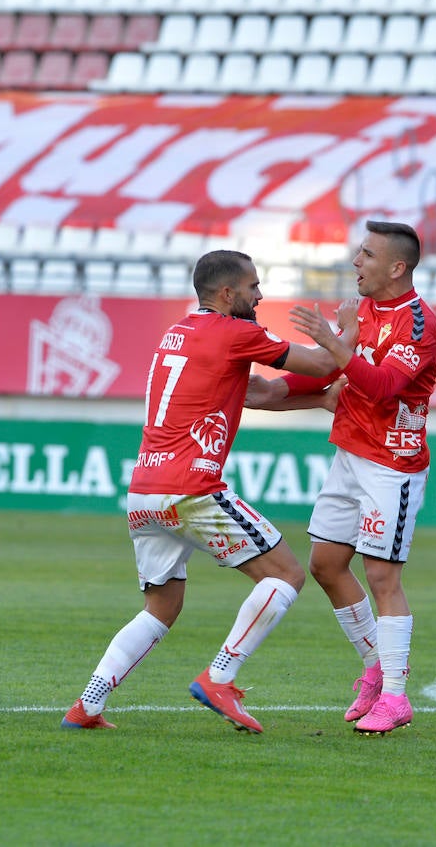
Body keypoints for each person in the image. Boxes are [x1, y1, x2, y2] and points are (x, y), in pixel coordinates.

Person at [61, 250, 341, 734]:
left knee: (162, 608)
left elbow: (255, 392)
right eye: (254, 287)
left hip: (145, 489)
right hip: (191, 488)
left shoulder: (179, 333)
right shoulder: (237, 332)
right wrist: (344, 336)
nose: (260, 295)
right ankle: (220, 676)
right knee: (286, 576)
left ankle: (87, 704)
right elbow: (319, 362)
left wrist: (318, 400)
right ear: (227, 294)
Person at [247, 220, 436, 735]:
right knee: (327, 565)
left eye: (366, 255)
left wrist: (334, 343)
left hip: (390, 464)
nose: (356, 262)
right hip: (350, 453)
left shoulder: (419, 325)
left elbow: (381, 386)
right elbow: (329, 374)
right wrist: (269, 386)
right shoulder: (364, 312)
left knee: (382, 576)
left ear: (396, 267)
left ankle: (397, 698)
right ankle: (377, 667)